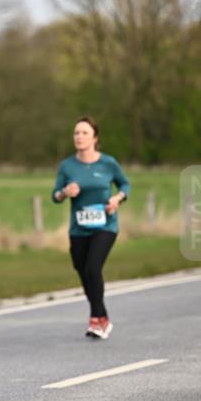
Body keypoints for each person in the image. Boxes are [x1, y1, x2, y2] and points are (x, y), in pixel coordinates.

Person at [52, 116, 130, 339]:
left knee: (93, 269)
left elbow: (124, 184)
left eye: (84, 133)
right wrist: (65, 192)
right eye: (76, 133)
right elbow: (55, 195)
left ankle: (96, 320)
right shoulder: (67, 166)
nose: (79, 136)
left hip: (105, 225)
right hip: (79, 228)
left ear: (95, 138)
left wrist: (117, 198)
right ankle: (102, 317)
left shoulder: (108, 163)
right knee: (82, 270)